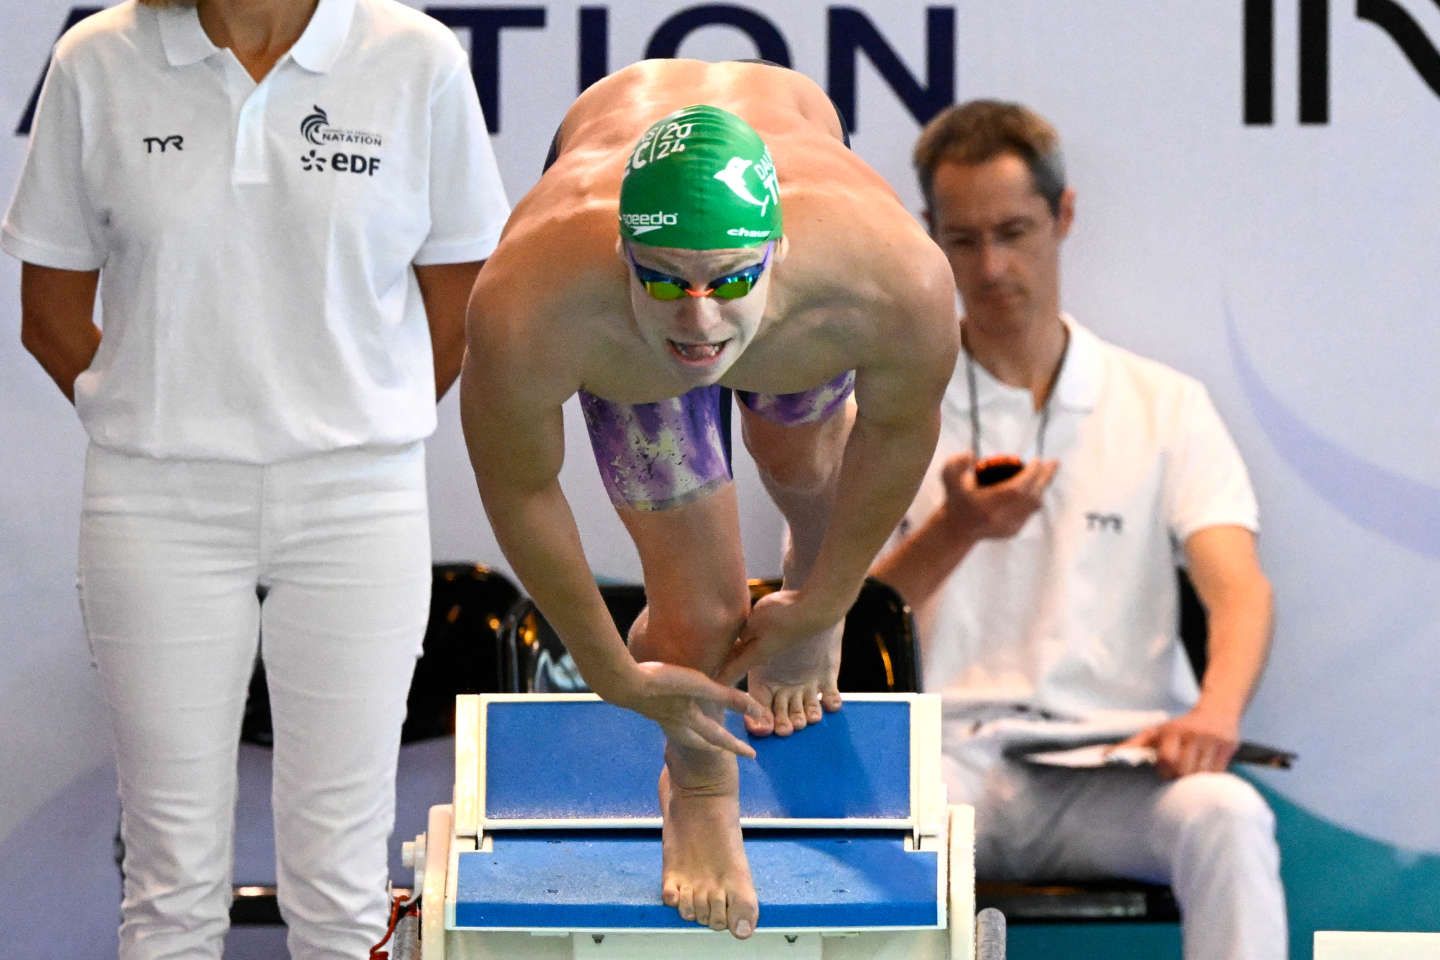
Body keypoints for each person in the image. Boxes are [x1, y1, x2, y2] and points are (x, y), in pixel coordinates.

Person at [2, 0, 509, 955]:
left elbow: (463, 301)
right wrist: (159, 416)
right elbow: (50, 310)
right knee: (169, 878)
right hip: (155, 505)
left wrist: (360, 422)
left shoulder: (415, 58)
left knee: (344, 879)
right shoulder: (96, 59)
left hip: (357, 504)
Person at [460, 59, 957, 939]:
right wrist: (611, 666)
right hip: (620, 279)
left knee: (805, 467)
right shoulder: (535, 299)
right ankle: (696, 787)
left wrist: (827, 597)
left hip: (795, 230)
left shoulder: (888, 278)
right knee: (700, 608)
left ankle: (807, 580)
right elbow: (520, 485)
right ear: (622, 253)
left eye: (730, 279)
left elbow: (898, 432)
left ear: (780, 250)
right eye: (663, 280)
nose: (698, 322)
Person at [872, 99, 1287, 958]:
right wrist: (953, 530)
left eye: (1014, 231)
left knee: (1229, 816)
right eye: (963, 239)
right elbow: (841, 626)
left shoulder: (1162, 404)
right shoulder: (885, 411)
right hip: (944, 763)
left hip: (1114, 760)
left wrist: (1215, 710)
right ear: (930, 236)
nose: (990, 267)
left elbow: (1237, 587)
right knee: (877, 840)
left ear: (1063, 217)